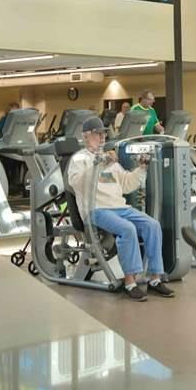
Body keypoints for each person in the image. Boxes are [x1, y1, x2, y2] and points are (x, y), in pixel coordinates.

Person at [65, 115, 175, 302]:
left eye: (103, 134)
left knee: (152, 225)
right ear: (85, 136)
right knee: (127, 229)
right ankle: (130, 282)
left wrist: (141, 168)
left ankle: (155, 278)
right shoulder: (80, 159)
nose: (102, 138)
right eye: (97, 134)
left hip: (119, 207)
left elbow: (126, 184)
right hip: (96, 210)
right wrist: (99, 164)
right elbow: (77, 184)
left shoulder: (111, 160)